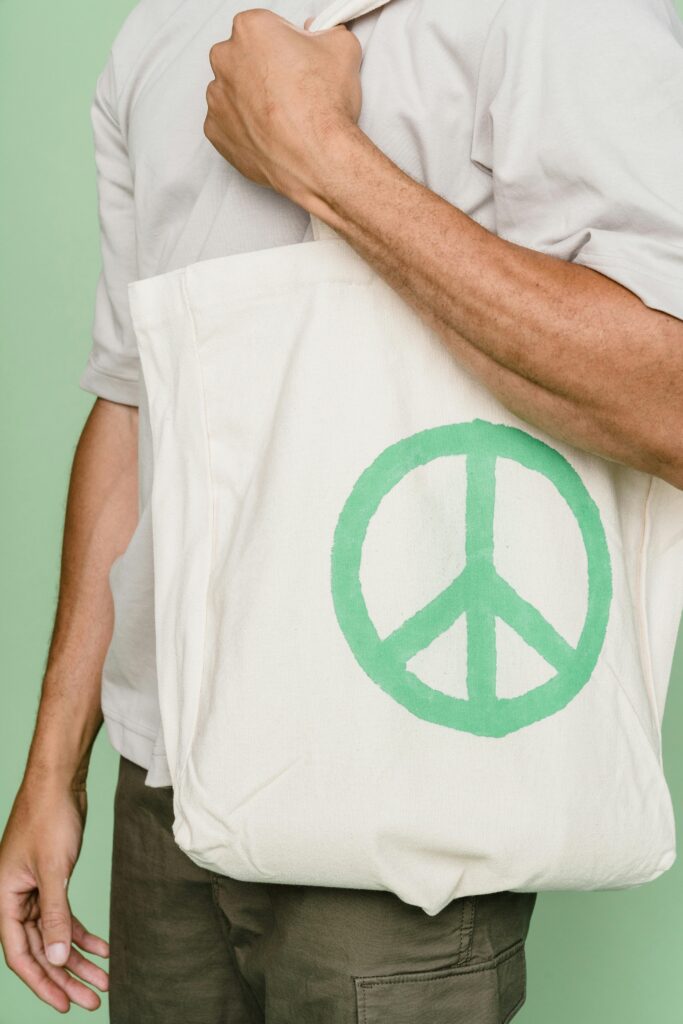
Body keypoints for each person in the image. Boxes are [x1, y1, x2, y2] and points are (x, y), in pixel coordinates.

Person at [1, 0, 682, 1020]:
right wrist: (54, 768)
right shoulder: (161, 30)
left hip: (394, 778)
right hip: (162, 776)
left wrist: (321, 156)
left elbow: (665, 400)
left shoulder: (556, 15)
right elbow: (137, 406)